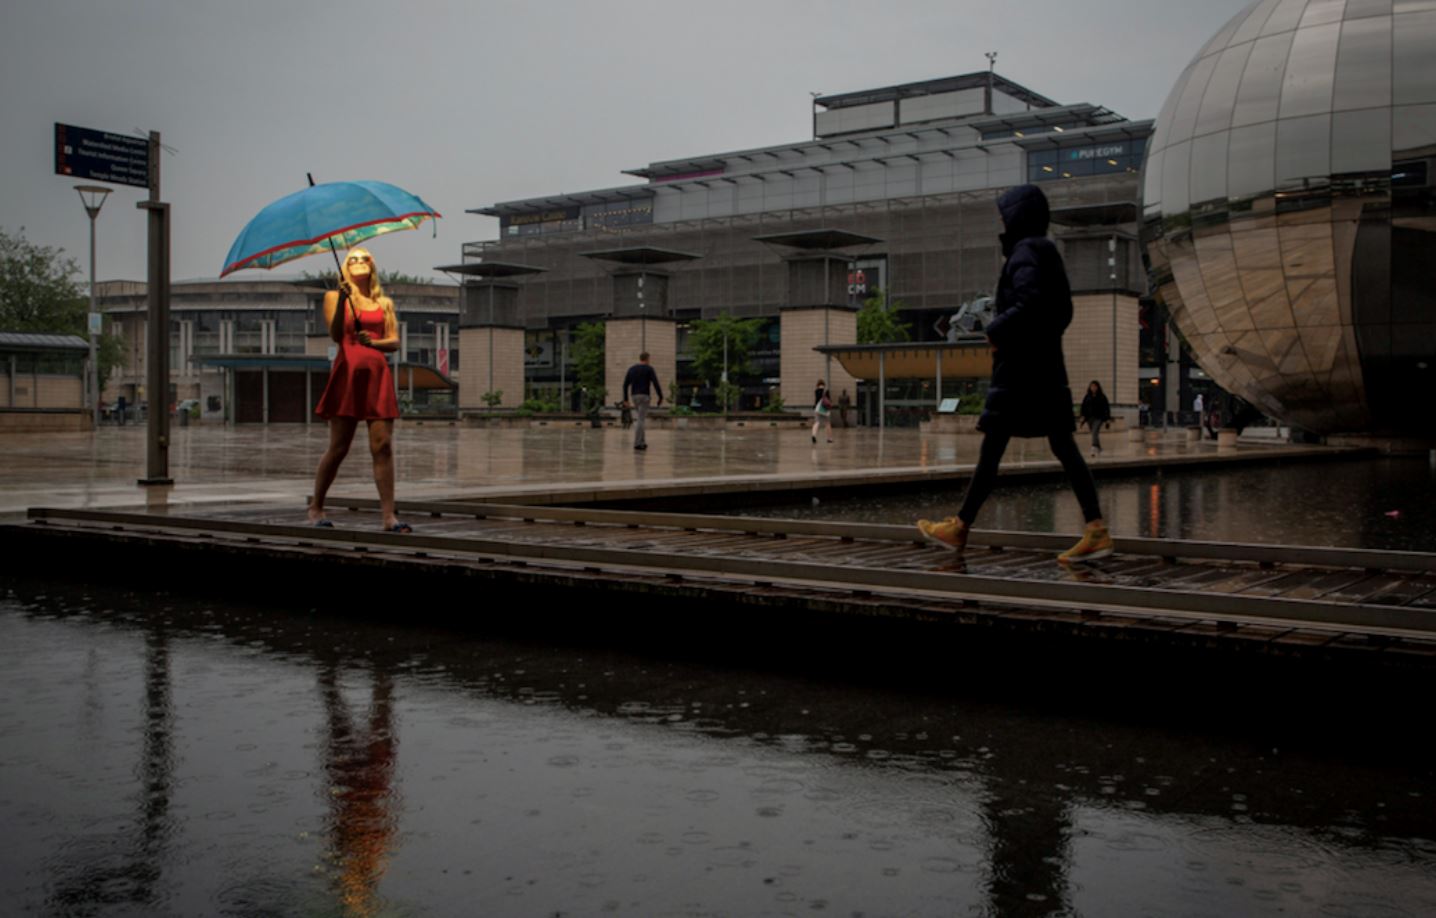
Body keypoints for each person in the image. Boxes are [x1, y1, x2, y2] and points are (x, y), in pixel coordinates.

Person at [916, 184, 1113, 564]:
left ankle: (959, 528)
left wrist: (996, 331)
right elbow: (1061, 312)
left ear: (1018, 217)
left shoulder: (1026, 252)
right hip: (1045, 368)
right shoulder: (1045, 251)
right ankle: (1096, 528)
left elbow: (1030, 302)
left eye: (1004, 215)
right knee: (1062, 447)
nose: (1001, 222)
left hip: (1021, 372)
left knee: (994, 450)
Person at [308, 248, 409, 532]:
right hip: (348, 372)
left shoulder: (384, 303)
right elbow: (337, 334)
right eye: (352, 259)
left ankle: (389, 517)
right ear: (345, 268)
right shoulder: (333, 296)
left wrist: (374, 343)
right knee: (339, 447)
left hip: (377, 374)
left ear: (372, 265)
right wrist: (342, 300)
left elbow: (394, 342)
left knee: (383, 446)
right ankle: (316, 506)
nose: (359, 262)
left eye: (364, 258)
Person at [622, 351, 663, 450]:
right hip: (644, 396)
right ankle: (637, 443)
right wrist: (660, 397)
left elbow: (625, 385)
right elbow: (655, 383)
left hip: (634, 396)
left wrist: (626, 399)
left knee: (641, 419)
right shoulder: (649, 369)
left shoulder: (631, 369)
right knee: (641, 420)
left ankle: (642, 442)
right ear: (647, 359)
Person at [1079, 380, 1112, 457]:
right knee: (1095, 434)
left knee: (1094, 432)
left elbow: (1106, 408)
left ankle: (1093, 448)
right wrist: (1082, 418)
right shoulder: (1087, 397)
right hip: (1089, 418)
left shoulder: (1102, 397)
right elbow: (1083, 408)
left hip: (1099, 418)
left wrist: (1107, 419)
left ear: (1098, 387)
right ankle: (1099, 448)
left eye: (1095, 386)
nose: (1093, 388)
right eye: (1092, 386)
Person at [811, 378, 833, 444]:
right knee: (827, 423)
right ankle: (829, 438)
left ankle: (813, 435)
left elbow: (816, 400)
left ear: (818, 384)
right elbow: (829, 401)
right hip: (824, 409)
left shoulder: (816, 391)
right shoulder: (826, 391)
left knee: (817, 422)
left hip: (817, 409)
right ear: (824, 384)